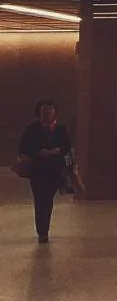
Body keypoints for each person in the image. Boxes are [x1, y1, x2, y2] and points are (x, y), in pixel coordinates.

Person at [17, 99, 72, 244]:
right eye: (45, 110)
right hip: (38, 171)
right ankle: (42, 231)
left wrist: (58, 151)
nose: (48, 113)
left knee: (48, 201)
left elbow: (67, 146)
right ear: (39, 113)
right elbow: (23, 147)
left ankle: (43, 228)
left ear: (55, 112)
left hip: (55, 171)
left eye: (50, 110)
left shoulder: (61, 129)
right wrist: (38, 152)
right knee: (41, 200)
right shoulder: (32, 129)